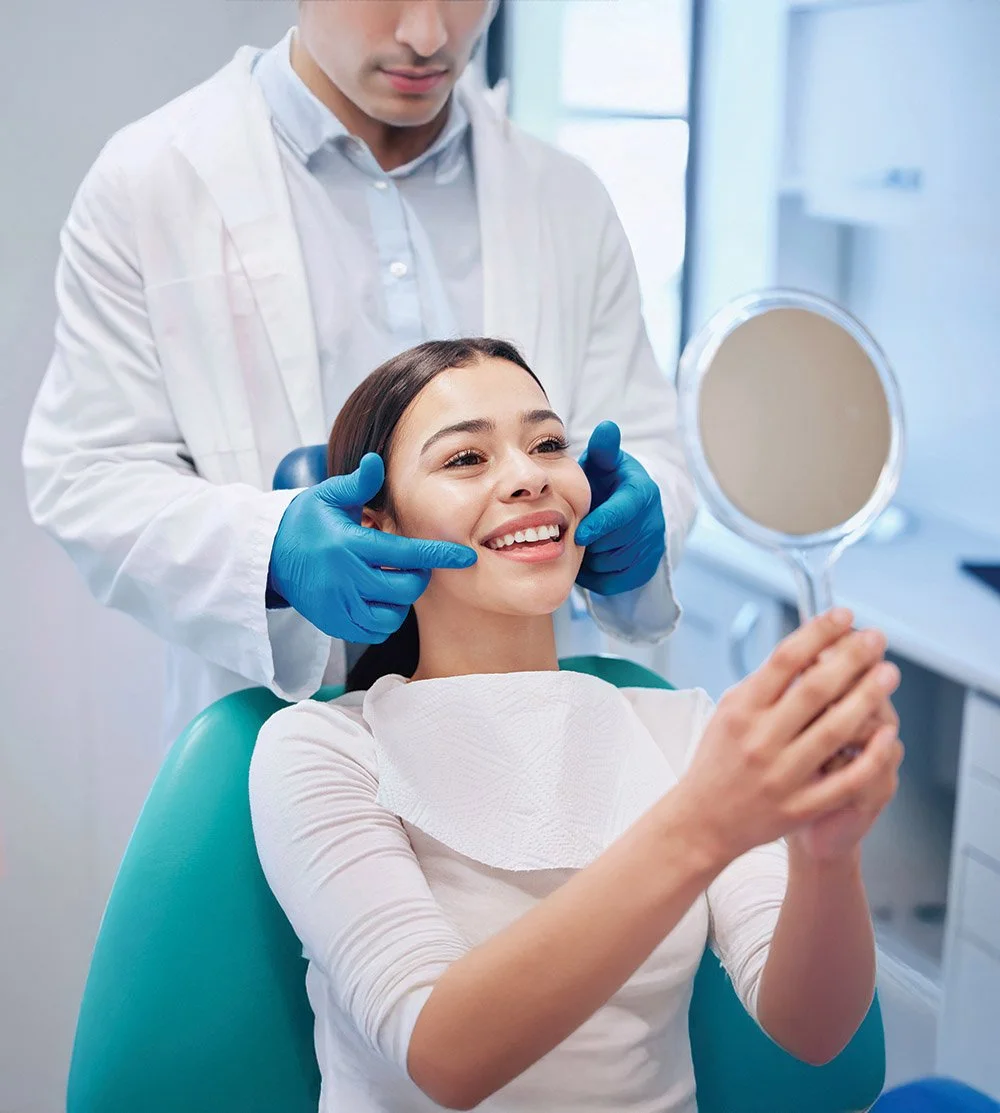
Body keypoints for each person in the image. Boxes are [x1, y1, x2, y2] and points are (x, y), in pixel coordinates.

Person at [249, 338, 904, 1113]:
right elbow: (445, 1055)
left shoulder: (680, 730)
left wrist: (827, 856)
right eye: (465, 459)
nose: (529, 476)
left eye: (548, 443)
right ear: (375, 522)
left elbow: (814, 1030)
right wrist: (702, 824)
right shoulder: (321, 751)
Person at [22, 0, 696, 743]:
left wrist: (644, 513)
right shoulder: (152, 185)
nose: (428, 37)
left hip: (533, 728)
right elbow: (87, 475)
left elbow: (643, 444)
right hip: (281, 735)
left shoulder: (565, 198)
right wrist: (269, 550)